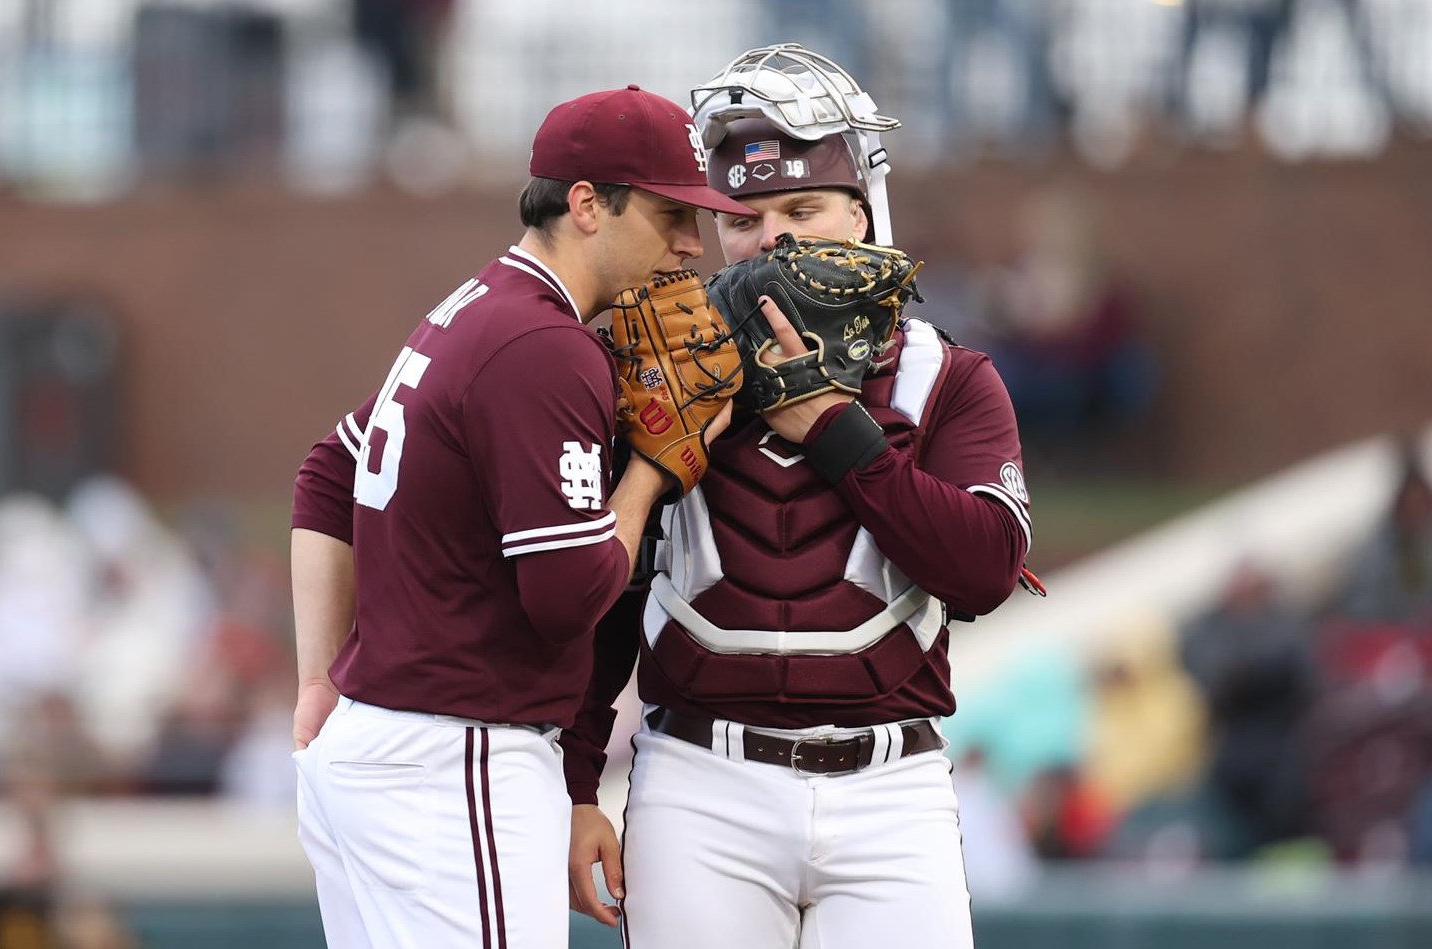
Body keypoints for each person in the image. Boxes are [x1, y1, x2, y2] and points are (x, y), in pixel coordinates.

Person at [563, 45, 1035, 949]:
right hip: (701, 782)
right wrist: (578, 783)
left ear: (862, 214)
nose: (771, 238)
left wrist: (831, 426)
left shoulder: (947, 377)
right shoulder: (655, 371)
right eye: (743, 218)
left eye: (802, 209)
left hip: (890, 788)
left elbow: (982, 571)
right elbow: (608, 594)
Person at [288, 85, 752, 949]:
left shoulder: (472, 308)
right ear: (587, 205)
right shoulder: (545, 345)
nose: (691, 244)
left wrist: (319, 677)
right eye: (669, 214)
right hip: (455, 761)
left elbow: (326, 473)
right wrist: (651, 471)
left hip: (380, 749)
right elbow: (566, 595)